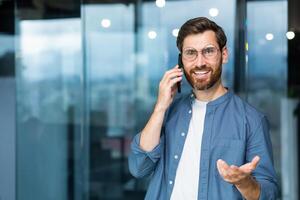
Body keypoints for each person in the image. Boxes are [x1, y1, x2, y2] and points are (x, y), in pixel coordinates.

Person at [128, 17, 278, 200]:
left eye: (208, 51)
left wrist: (244, 183)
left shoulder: (252, 120)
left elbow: (269, 193)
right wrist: (160, 107)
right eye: (190, 53)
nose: (199, 62)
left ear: (224, 55)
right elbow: (139, 167)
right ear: (181, 61)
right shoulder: (167, 111)